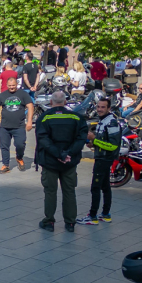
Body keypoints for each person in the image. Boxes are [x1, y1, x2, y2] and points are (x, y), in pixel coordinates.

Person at [35, 91, 88, 232]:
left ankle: (49, 222)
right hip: (70, 163)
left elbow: (43, 140)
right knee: (69, 192)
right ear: (65, 102)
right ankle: (70, 223)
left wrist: (58, 154)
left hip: (50, 162)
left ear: (51, 102)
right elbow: (81, 139)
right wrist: (68, 154)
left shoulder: (44, 118)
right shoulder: (76, 117)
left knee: (50, 192)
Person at [78, 98, 120, 225]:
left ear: (109, 108)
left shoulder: (111, 122)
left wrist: (94, 139)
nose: (100, 109)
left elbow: (113, 145)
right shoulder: (104, 120)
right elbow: (105, 141)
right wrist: (94, 144)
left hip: (104, 160)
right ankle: (105, 214)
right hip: (102, 158)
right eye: (98, 107)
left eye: (103, 107)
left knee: (95, 188)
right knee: (105, 186)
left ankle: (92, 216)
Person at [0, 77, 34, 173]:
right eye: (10, 86)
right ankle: (6, 165)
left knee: (20, 144)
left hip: (19, 126)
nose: (12, 87)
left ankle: (19, 158)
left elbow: (30, 106)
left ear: (17, 84)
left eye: (13, 85)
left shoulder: (23, 94)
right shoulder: (2, 95)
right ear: (7, 85)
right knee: (4, 146)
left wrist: (29, 121)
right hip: (4, 126)